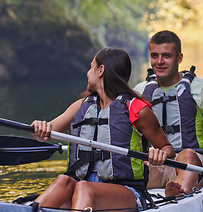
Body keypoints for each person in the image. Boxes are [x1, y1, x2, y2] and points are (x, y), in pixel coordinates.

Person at [31, 47, 175, 211]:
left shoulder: (137, 109)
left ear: (100, 70)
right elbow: (45, 134)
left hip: (126, 192)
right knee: (63, 181)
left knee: (84, 187)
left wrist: (160, 153)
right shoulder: (82, 106)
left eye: (91, 67)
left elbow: (167, 148)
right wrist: (39, 128)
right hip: (82, 188)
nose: (87, 73)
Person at [133, 30, 203, 197]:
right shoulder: (139, 92)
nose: (159, 62)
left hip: (193, 162)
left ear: (179, 58)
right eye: (155, 56)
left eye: (166, 56)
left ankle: (179, 196)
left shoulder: (201, 88)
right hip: (152, 164)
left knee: (187, 155)